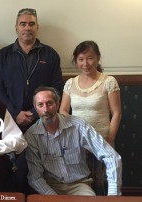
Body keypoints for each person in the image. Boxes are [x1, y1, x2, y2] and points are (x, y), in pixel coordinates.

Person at [25, 86, 122, 196]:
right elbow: (35, 177)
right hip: (49, 187)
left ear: (57, 104)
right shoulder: (31, 135)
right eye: (40, 105)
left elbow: (111, 156)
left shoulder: (78, 125)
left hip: (79, 185)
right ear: (35, 108)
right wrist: (54, 198)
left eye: (49, 103)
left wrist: (113, 196)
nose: (45, 110)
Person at [59, 40, 122, 195]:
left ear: (97, 58)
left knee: (102, 185)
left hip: (102, 140)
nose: (85, 63)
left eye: (90, 58)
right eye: (81, 59)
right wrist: (77, 129)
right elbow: (63, 111)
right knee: (81, 185)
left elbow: (117, 113)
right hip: (77, 142)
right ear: (76, 61)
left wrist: (109, 140)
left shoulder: (109, 82)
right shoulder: (70, 83)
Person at [0, 8, 64, 132]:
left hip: (43, 119)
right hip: (10, 119)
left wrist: (34, 113)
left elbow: (57, 87)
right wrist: (15, 113)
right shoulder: (3, 56)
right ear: (16, 28)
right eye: (23, 24)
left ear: (37, 27)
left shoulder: (50, 54)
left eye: (31, 24)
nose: (27, 28)